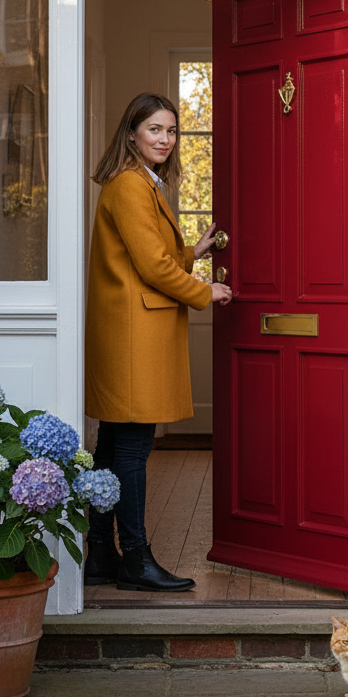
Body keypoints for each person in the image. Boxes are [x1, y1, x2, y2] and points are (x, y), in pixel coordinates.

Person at [84, 92, 232, 592]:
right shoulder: (129, 185)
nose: (165, 140)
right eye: (155, 130)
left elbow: (147, 254)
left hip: (127, 332)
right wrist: (204, 290)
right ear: (131, 133)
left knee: (112, 450)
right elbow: (150, 266)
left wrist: (195, 250)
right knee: (129, 451)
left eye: (172, 131)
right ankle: (136, 559)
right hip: (133, 337)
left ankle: (102, 553)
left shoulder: (140, 184)